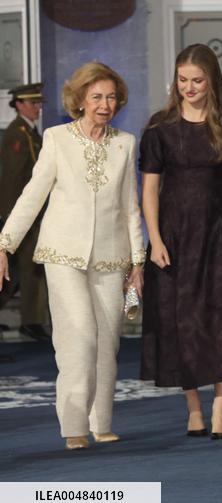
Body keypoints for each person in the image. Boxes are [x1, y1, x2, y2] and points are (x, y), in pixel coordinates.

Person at [0, 62, 144, 450]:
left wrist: (138, 262)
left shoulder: (125, 143)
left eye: (111, 97)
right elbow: (33, 195)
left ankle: (102, 422)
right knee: (78, 335)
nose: (105, 104)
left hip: (112, 258)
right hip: (63, 253)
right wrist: (4, 243)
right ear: (79, 100)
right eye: (96, 96)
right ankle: (74, 425)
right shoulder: (57, 138)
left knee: (107, 341)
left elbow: (130, 206)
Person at [140, 44, 222, 440]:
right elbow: (150, 191)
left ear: (212, 82)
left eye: (197, 80)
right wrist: (154, 239)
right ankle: (194, 407)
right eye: (183, 80)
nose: (189, 87)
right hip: (175, 237)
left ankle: (220, 408)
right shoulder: (160, 128)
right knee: (183, 322)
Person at [0, 83, 49, 342]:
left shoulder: (30, 132)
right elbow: (17, 178)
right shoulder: (18, 134)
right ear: (19, 104)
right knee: (29, 266)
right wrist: (14, 215)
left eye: (39, 103)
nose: (37, 107)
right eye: (32, 103)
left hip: (27, 211)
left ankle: (32, 320)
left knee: (18, 271)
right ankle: (31, 321)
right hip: (21, 212)